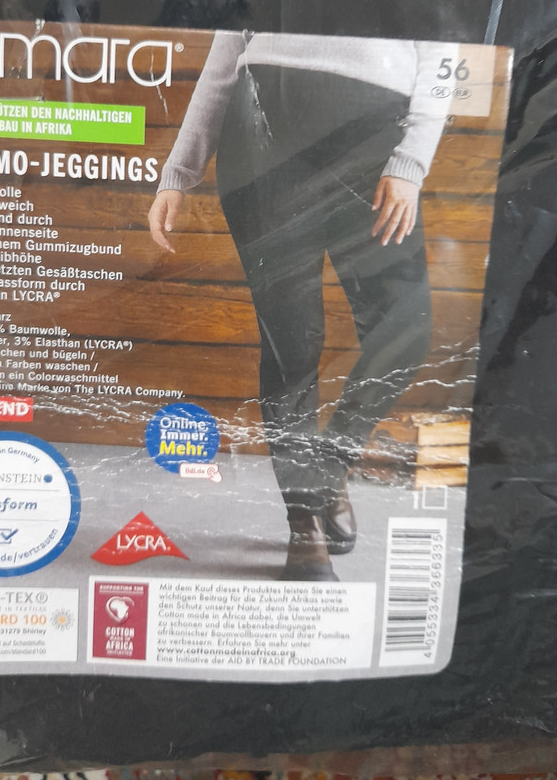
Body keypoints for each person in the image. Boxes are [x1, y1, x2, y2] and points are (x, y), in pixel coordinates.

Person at [149, 31, 452, 581]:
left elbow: (441, 51)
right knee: (291, 345)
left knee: (406, 332)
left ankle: (326, 473)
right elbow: (225, 56)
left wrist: (410, 159)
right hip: (261, 128)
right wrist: (179, 172)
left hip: (372, 135)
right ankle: (303, 523)